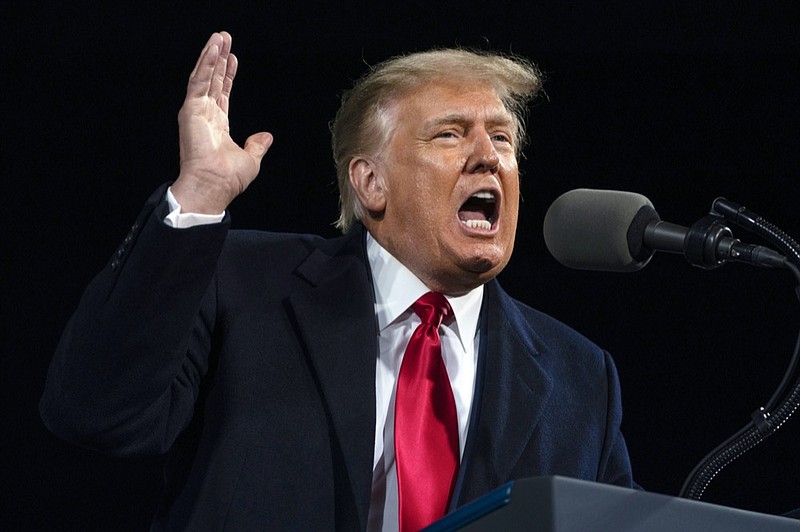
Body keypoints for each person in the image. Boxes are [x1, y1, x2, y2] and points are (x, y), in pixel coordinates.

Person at [41, 31, 635, 531]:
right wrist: (197, 196)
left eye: (502, 138)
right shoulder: (242, 285)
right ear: (370, 183)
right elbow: (95, 413)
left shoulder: (579, 376)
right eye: (450, 134)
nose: (489, 158)